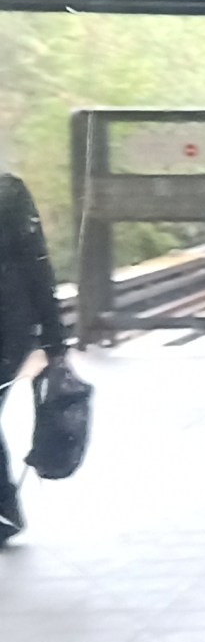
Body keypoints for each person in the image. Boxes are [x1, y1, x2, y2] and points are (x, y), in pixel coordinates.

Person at [0, 165, 67, 542]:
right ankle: (4, 509)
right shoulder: (9, 191)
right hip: (11, 326)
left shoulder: (7, 193)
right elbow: (37, 264)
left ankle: (4, 509)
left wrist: (54, 339)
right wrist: (54, 339)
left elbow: (35, 265)